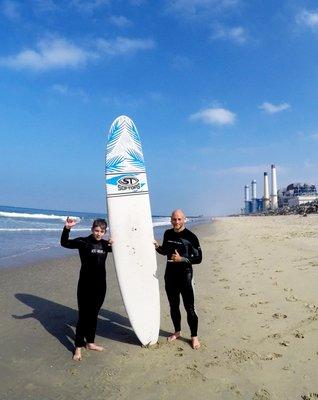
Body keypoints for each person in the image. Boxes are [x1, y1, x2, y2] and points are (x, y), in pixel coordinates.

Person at [60, 217, 112, 361]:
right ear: (92, 229)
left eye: (101, 231)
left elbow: (124, 250)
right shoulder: (84, 242)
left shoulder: (106, 244)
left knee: (94, 314)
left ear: (104, 232)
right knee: (83, 316)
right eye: (96, 230)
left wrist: (117, 241)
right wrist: (67, 228)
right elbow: (64, 243)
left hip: (101, 285)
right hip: (85, 285)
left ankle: (90, 342)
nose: (98, 233)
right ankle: (78, 347)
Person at [155, 209, 202, 349]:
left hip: (185, 275)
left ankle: (194, 337)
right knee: (173, 306)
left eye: (179, 219)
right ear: (171, 220)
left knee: (189, 308)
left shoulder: (191, 236)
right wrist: (157, 247)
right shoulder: (167, 233)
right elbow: (165, 251)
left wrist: (182, 259)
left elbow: (199, 258)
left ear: (184, 219)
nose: (176, 222)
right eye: (174, 219)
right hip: (170, 275)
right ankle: (177, 331)